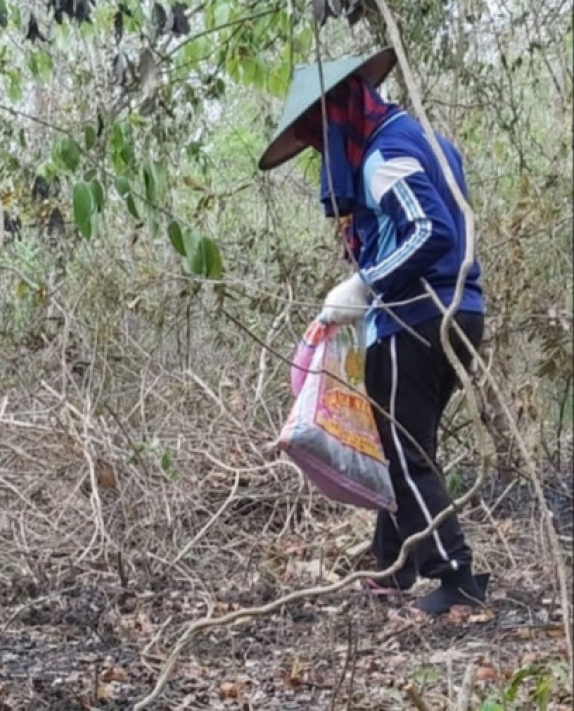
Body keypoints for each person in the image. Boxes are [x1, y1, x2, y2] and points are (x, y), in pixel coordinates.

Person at [259, 48, 490, 615]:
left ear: (338, 115)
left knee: (406, 456)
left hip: (415, 317)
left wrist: (365, 286)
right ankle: (395, 561)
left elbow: (430, 230)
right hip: (460, 312)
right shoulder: (425, 140)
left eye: (320, 135)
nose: (322, 150)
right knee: (408, 447)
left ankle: (454, 574)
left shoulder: (385, 149)